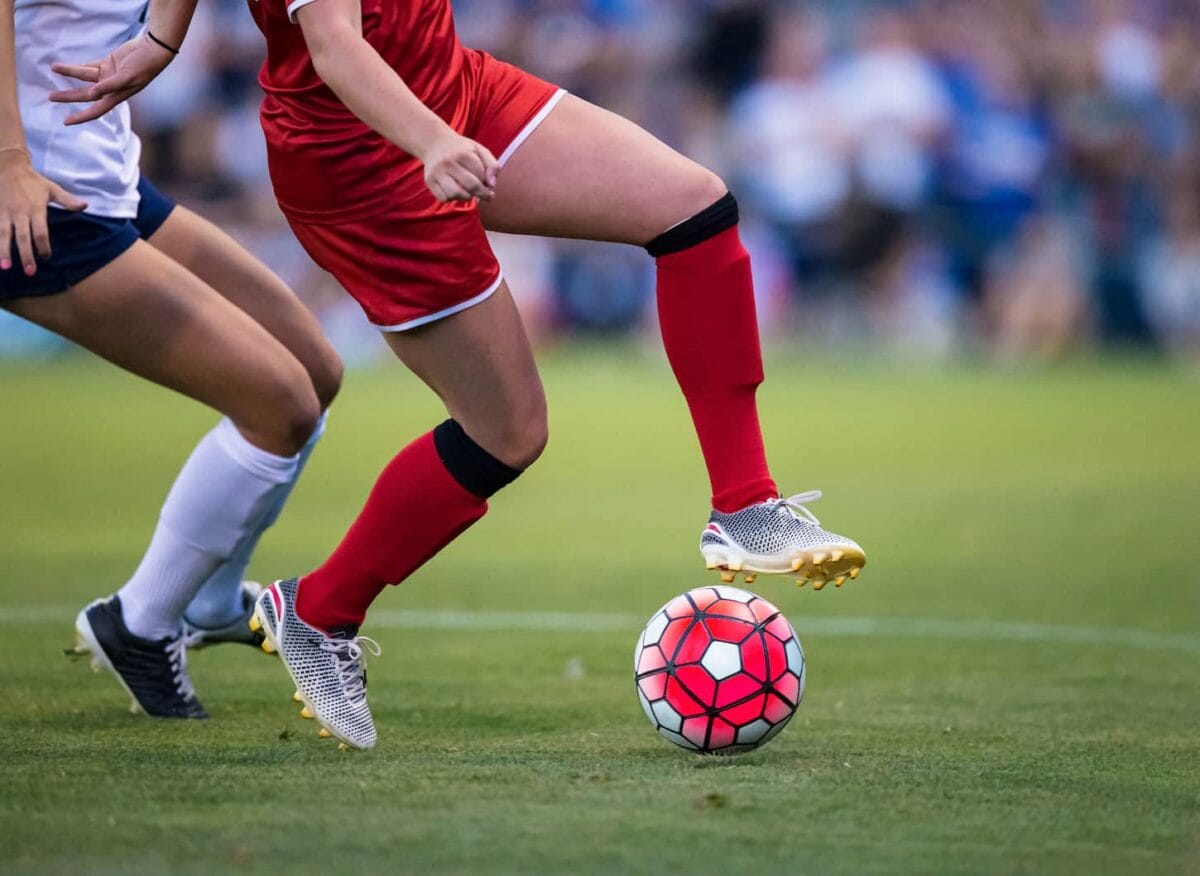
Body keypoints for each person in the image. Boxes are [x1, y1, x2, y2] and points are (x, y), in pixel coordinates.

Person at [58, 0, 867, 750]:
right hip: (364, 161)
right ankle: (317, 612)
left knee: (693, 207)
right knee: (508, 431)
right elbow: (335, 45)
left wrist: (162, 37)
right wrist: (432, 143)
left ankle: (746, 506)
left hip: (448, 83)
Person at [3, 0, 341, 718]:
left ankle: (212, 603)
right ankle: (139, 623)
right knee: (280, 405)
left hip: (107, 184)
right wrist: (7, 162)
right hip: (36, 203)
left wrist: (162, 36)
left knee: (314, 368)